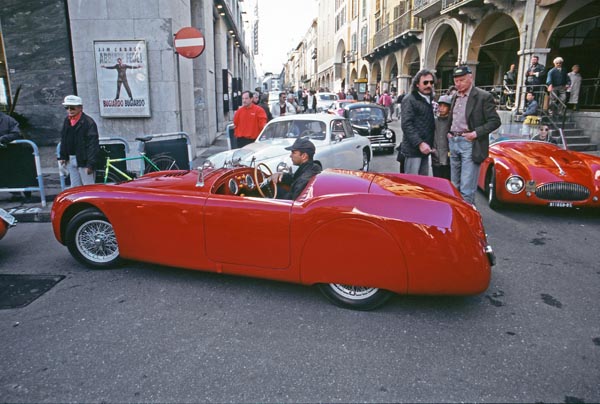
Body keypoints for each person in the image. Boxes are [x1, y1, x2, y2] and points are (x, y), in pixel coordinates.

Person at [448, 65, 501, 205]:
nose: (458, 84)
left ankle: (467, 219)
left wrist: (475, 134)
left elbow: (495, 121)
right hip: (454, 141)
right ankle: (457, 216)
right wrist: (449, 132)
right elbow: (452, 117)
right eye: (456, 81)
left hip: (470, 143)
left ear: (470, 78)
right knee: (454, 185)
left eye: (462, 80)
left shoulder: (483, 96)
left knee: (467, 188)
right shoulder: (455, 96)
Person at [398, 69, 436, 175]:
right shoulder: (410, 99)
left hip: (425, 150)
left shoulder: (428, 98)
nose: (429, 85)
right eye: (425, 82)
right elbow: (406, 124)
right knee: (412, 184)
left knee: (422, 184)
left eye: (431, 82)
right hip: (413, 151)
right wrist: (420, 143)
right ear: (417, 84)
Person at [58, 95, 100, 187]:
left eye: (72, 108)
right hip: (71, 158)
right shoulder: (67, 120)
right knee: (75, 187)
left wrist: (90, 164)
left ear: (80, 108)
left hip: (84, 159)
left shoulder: (88, 122)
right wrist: (63, 156)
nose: (69, 110)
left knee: (88, 188)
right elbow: (64, 139)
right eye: (67, 108)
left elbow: (92, 144)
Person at [0, 111, 32, 202]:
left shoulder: (8, 120)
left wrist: (3, 139)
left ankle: (24, 191)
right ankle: (15, 193)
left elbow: (16, 133)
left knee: (16, 173)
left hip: (11, 154)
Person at [432, 94, 452, 180]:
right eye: (440, 106)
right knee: (436, 181)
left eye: (445, 106)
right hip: (436, 156)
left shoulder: (452, 122)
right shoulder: (434, 121)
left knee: (447, 180)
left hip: (448, 157)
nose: (442, 108)